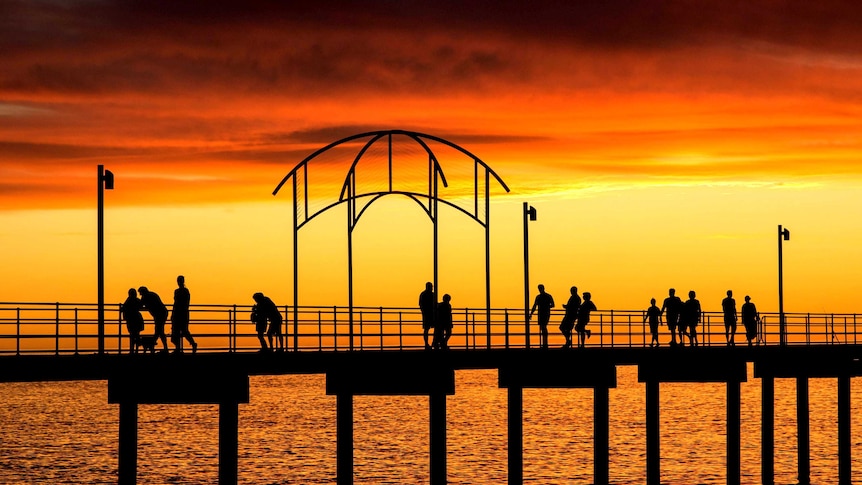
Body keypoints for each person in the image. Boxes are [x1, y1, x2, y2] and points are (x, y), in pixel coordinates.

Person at [171, 275, 197, 353]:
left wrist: (174, 313)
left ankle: (183, 346)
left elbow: (177, 303)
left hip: (180, 313)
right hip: (181, 312)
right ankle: (180, 347)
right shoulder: (183, 291)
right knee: (180, 331)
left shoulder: (182, 291)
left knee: (181, 330)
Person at [139, 286, 168, 353]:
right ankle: (155, 345)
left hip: (159, 314)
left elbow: (140, 304)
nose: (140, 294)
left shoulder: (146, 297)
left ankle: (153, 345)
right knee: (159, 331)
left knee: (159, 330)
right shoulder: (152, 294)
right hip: (162, 313)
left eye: (140, 293)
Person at [529, 284, 555, 349]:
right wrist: (531, 313)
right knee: (543, 327)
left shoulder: (543, 296)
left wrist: (545, 306)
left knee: (543, 327)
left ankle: (545, 343)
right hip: (542, 313)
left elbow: (553, 305)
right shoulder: (545, 296)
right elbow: (535, 306)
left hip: (544, 313)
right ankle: (544, 343)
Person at [122, 288, 144, 353]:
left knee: (132, 335)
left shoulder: (128, 300)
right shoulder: (136, 300)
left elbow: (124, 308)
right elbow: (141, 305)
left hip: (131, 319)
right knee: (136, 334)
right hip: (137, 318)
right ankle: (136, 349)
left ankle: (132, 349)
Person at [419, 282, 436, 350]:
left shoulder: (423, 294)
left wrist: (423, 311)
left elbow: (420, 304)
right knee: (431, 328)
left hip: (428, 314)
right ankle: (431, 343)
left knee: (427, 329)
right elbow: (421, 304)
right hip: (430, 314)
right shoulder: (430, 294)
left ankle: (428, 343)